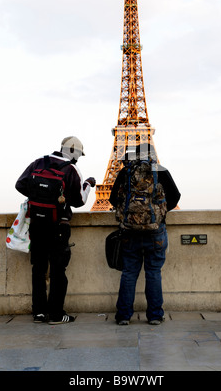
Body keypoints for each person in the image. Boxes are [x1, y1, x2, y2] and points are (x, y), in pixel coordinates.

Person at [15, 136, 95, 324]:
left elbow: (20, 184)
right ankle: (57, 315)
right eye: (79, 154)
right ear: (73, 151)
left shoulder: (38, 162)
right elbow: (79, 201)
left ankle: (39, 313)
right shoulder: (71, 169)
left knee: (38, 269)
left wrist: (39, 197)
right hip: (58, 226)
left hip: (36, 224)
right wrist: (88, 185)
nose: (79, 158)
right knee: (58, 271)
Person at [109, 143, 180, 326]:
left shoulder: (126, 171)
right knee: (154, 273)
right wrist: (159, 214)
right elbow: (175, 196)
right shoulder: (160, 170)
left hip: (129, 231)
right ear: (152, 154)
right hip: (155, 231)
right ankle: (155, 315)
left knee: (129, 273)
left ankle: (124, 316)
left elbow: (112, 198)